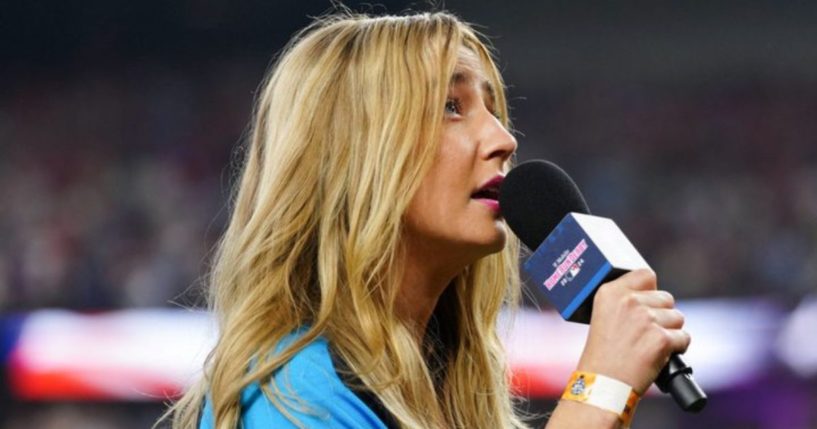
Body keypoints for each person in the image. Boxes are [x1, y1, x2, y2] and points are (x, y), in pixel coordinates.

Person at [161, 9, 690, 429]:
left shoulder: (441, 384)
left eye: (493, 108)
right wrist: (597, 394)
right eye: (450, 106)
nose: (505, 140)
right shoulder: (294, 396)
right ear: (352, 154)